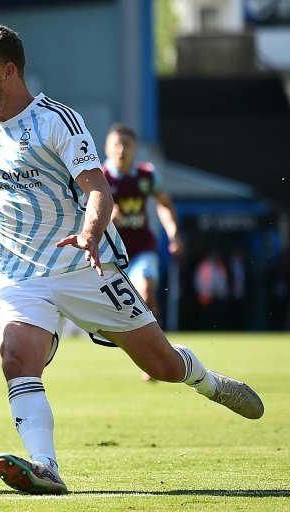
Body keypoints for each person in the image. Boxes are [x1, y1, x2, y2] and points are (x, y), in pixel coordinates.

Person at [0, 24, 264, 495]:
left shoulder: (57, 121)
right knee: (15, 358)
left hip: (84, 267)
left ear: (8, 71)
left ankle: (208, 381)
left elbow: (97, 188)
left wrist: (88, 232)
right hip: (21, 277)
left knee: (162, 366)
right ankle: (45, 467)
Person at [102, 123, 182, 380]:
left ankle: (155, 356)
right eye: (117, 144)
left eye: (127, 144)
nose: (122, 149)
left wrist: (172, 233)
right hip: (109, 255)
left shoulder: (146, 175)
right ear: (107, 148)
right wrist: (102, 214)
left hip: (141, 249)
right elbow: (79, 210)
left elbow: (165, 204)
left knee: (146, 289)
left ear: (135, 148)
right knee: (124, 310)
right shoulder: (99, 176)